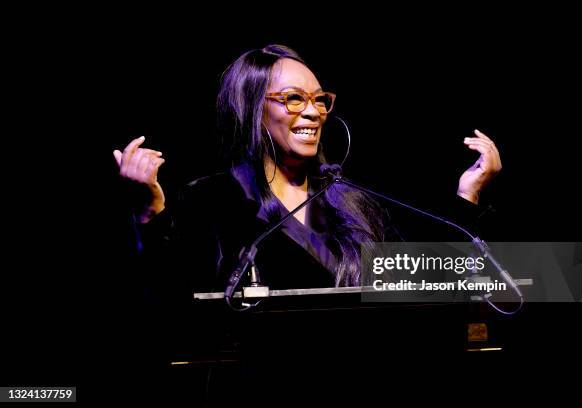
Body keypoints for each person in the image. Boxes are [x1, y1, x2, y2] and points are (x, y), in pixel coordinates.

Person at [112, 44, 502, 293]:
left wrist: (467, 197)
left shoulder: (352, 202)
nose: (314, 112)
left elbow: (424, 282)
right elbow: (168, 298)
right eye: (294, 99)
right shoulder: (213, 200)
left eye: (319, 99)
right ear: (253, 108)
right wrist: (150, 212)